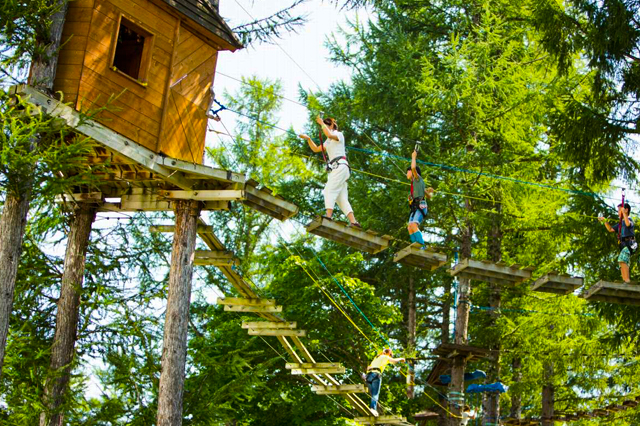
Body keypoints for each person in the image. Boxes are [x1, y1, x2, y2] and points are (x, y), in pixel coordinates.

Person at [299, 116, 361, 227]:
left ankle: (328, 217)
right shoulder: (328, 141)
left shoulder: (338, 134)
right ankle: (354, 222)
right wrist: (308, 139)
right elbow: (316, 149)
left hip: (340, 166)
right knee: (340, 198)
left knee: (328, 190)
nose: (324, 128)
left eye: (326, 126)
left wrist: (321, 123)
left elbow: (329, 134)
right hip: (339, 168)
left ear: (331, 125)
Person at [599, 202, 637, 283]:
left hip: (630, 243)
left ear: (626, 210)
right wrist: (605, 221)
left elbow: (628, 224)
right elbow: (610, 229)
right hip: (624, 245)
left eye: (619, 210)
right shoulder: (620, 224)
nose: (618, 212)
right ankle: (625, 280)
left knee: (622, 259)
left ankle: (627, 280)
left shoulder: (629, 220)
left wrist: (624, 213)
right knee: (621, 261)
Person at [364, 348, 405, 417]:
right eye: (390, 355)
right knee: (375, 394)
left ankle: (371, 407)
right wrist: (401, 358)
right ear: (388, 353)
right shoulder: (385, 356)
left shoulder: (376, 357)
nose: (390, 356)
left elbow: (368, 367)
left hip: (368, 376)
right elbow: (394, 361)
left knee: (372, 394)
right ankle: (372, 408)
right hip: (376, 374)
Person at [407, 149, 434, 248]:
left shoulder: (417, 179)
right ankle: (415, 245)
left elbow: (413, 167)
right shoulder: (417, 184)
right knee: (410, 227)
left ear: (413, 173)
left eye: (408, 172)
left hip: (420, 206)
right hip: (415, 207)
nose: (407, 174)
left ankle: (422, 246)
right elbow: (429, 196)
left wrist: (413, 156)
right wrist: (427, 190)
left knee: (414, 225)